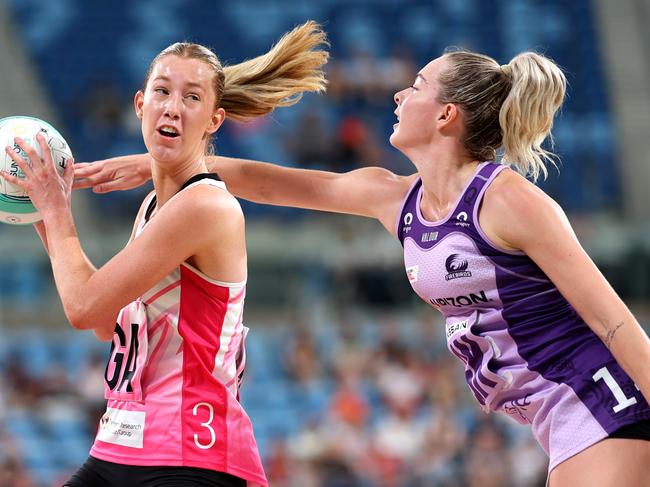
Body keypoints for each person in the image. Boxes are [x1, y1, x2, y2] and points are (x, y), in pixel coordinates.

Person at [74, 49, 650, 486]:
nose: (398, 95)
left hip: (595, 401)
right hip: (555, 417)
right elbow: (270, 183)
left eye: (416, 86)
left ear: (446, 114)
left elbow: (614, 322)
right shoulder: (394, 197)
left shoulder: (507, 200)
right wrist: (152, 160)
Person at [3, 21, 328, 487]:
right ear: (140, 105)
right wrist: (36, 210)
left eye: (192, 97)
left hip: (193, 452)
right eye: (162, 91)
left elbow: (82, 307)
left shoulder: (205, 205)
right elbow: (103, 322)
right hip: (124, 441)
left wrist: (55, 208)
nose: (173, 108)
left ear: (215, 120)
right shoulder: (154, 207)